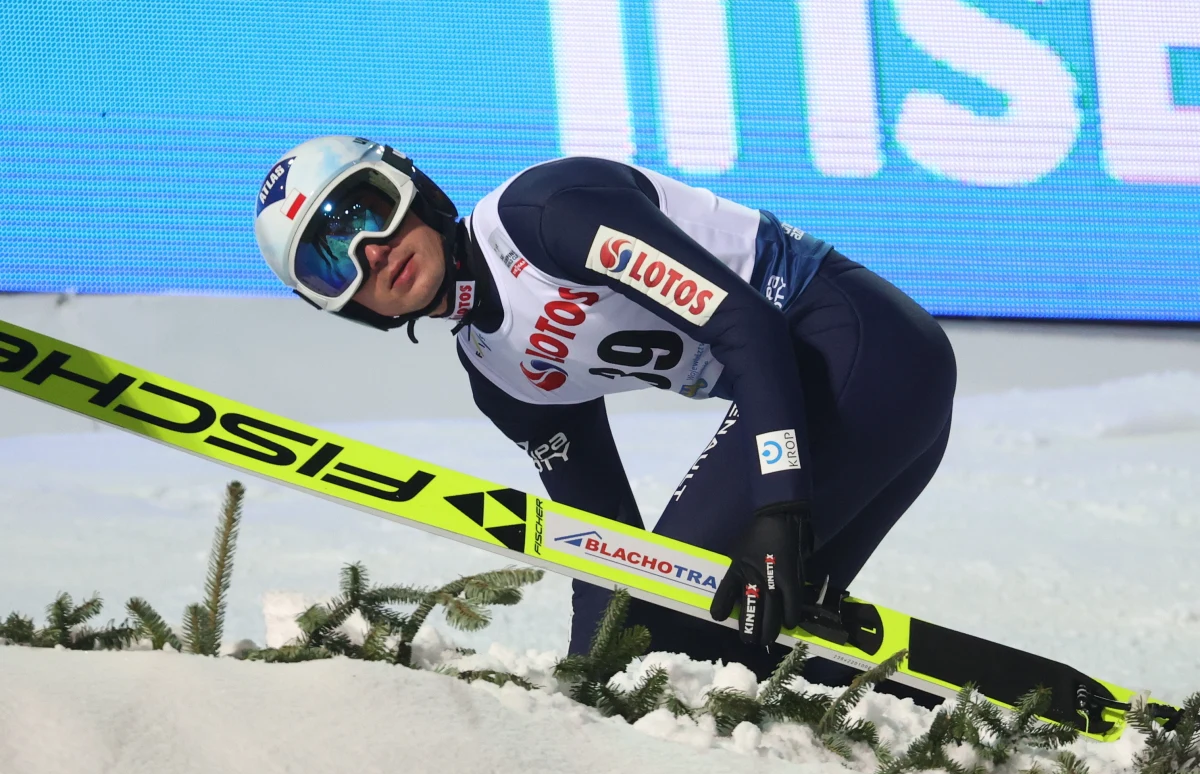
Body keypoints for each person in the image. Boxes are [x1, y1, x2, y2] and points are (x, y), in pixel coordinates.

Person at [253, 135, 957, 682]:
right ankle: (944, 719)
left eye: (364, 211)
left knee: (674, 623)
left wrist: (779, 502)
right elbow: (604, 545)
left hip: (860, 354)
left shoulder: (540, 218)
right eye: (330, 261)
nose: (370, 252)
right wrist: (587, 684)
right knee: (732, 640)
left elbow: (749, 326)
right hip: (827, 396)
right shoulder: (498, 377)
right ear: (341, 307)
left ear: (411, 185)